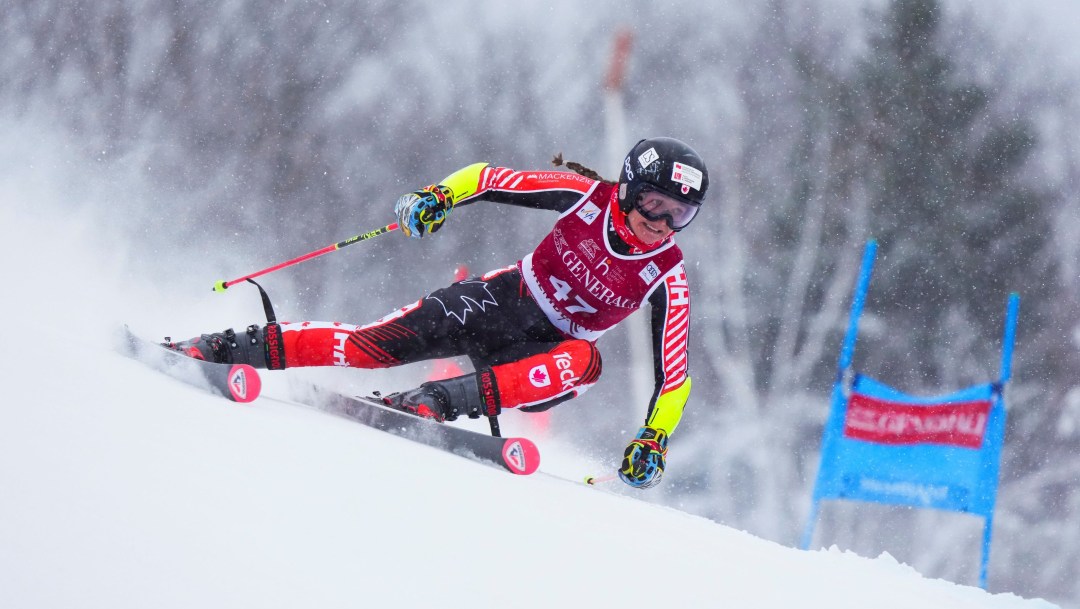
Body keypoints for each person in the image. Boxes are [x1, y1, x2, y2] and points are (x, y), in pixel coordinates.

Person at [170, 137, 709, 489]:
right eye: (654, 204)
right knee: (370, 346)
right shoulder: (584, 195)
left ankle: (434, 402)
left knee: (585, 360)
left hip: (545, 357)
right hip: (501, 302)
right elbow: (487, 178)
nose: (662, 223)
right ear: (628, 192)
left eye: (679, 213)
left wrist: (652, 438)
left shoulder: (668, 272)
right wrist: (437, 197)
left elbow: (676, 376)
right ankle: (225, 347)